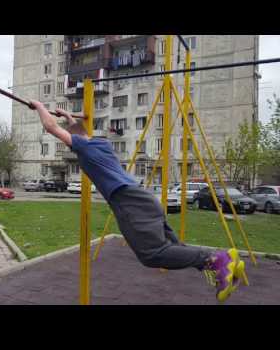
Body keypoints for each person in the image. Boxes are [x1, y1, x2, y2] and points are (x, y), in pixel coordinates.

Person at [29, 100, 248, 302]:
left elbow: (51, 128)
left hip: (129, 202)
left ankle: (217, 259)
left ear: (76, 140)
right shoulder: (100, 145)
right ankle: (226, 269)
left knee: (152, 254)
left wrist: (39, 106)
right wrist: (69, 117)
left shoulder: (84, 148)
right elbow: (78, 131)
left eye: (71, 141)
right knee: (173, 248)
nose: (70, 146)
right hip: (144, 199)